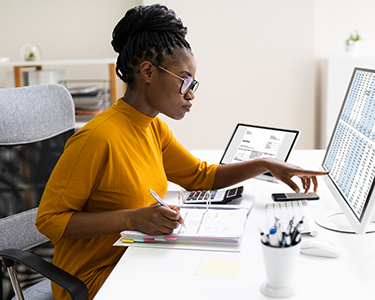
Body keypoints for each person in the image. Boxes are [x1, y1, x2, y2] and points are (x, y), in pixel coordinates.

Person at [36, 4, 328, 300]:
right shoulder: (96, 138)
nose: (190, 94)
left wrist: (266, 164)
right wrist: (131, 219)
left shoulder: (153, 128)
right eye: (185, 80)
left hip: (135, 257)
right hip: (95, 280)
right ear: (148, 71)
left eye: (194, 84)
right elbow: (49, 220)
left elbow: (201, 177)